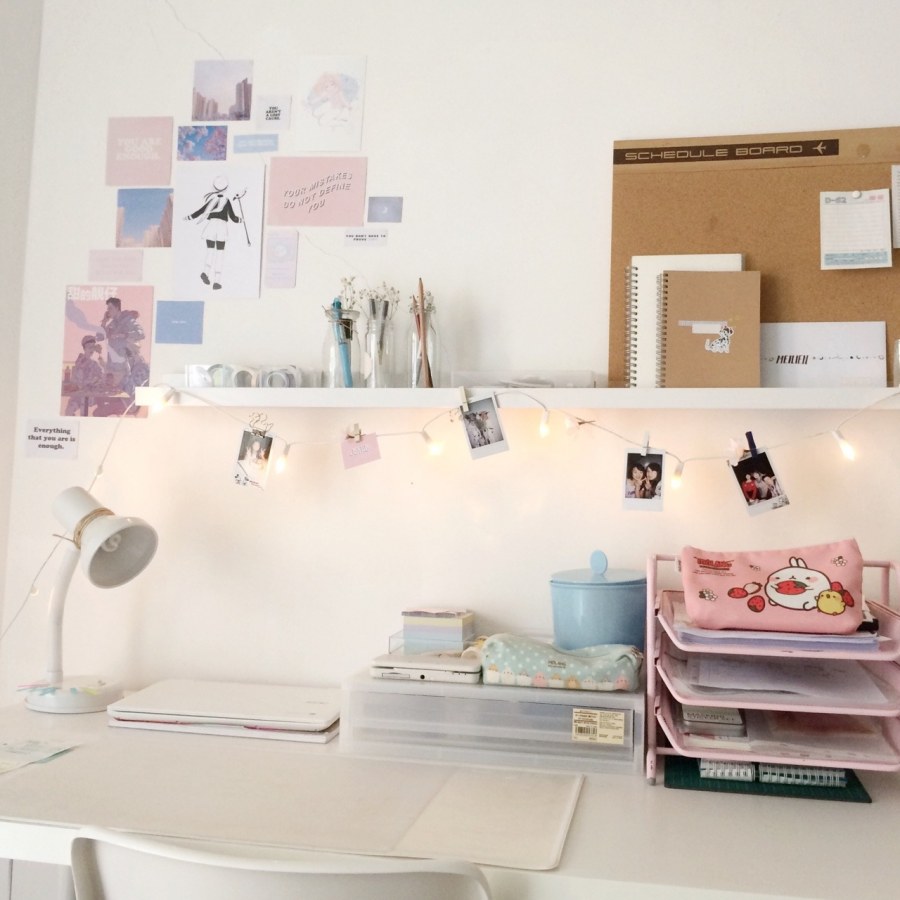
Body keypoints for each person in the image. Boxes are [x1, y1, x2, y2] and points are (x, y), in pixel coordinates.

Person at [184, 175, 242, 290]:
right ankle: (217, 281)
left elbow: (200, 211)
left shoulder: (212, 200)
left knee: (210, 250)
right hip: (221, 227)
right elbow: (233, 218)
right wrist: (240, 220)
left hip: (211, 226)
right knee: (220, 252)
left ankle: (205, 272)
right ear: (226, 188)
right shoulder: (226, 201)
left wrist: (189, 217)